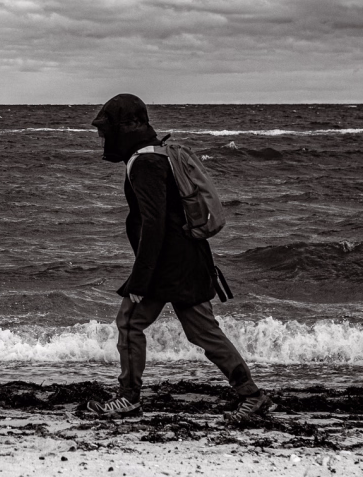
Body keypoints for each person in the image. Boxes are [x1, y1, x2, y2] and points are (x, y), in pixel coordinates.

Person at [86, 93, 270, 421]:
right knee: (203, 332)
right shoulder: (157, 154)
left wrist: (141, 280)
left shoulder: (144, 162)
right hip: (190, 260)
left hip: (166, 265)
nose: (103, 137)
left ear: (125, 127)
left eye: (106, 130)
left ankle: (129, 398)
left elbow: (154, 225)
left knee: (129, 322)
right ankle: (252, 396)